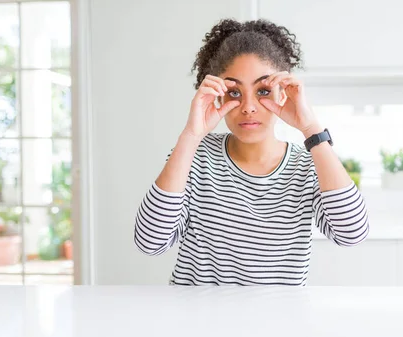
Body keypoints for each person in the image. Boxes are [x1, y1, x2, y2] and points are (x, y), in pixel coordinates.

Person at [134, 18, 369, 286]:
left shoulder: (308, 165)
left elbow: (352, 234)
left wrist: (311, 128)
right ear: (218, 96)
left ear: (283, 95)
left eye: (263, 91)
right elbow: (149, 242)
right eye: (234, 92)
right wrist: (191, 135)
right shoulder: (195, 157)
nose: (248, 107)